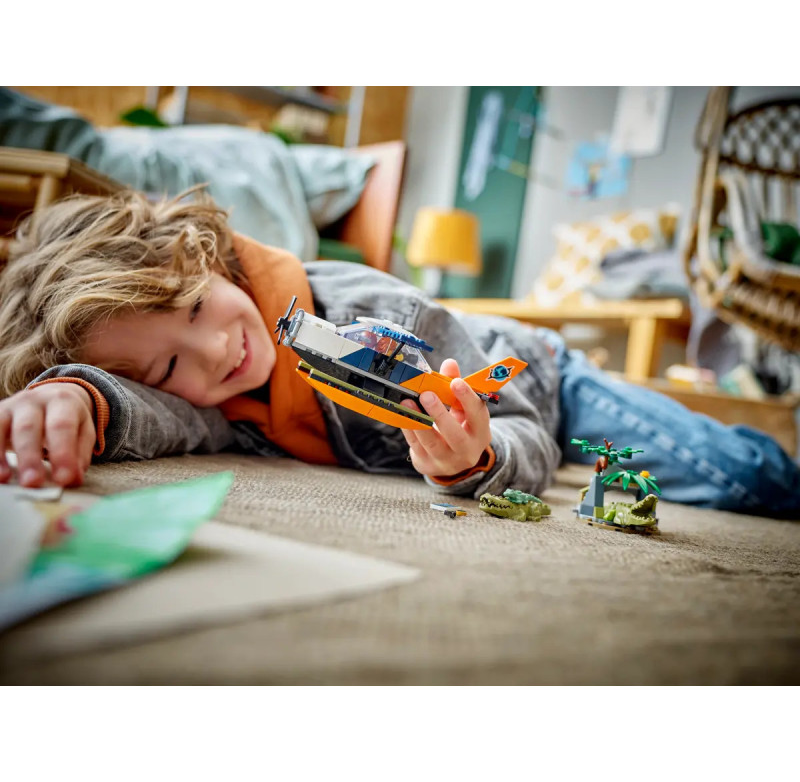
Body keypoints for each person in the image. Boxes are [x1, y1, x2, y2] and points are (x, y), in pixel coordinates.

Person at [0, 189, 798, 518]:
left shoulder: (374, 312)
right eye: (172, 366)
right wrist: (80, 397)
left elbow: (530, 435)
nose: (216, 351)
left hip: (541, 383)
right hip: (489, 411)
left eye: (200, 306)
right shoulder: (215, 398)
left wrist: (474, 463)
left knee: (740, 478)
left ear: (208, 257)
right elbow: (163, 417)